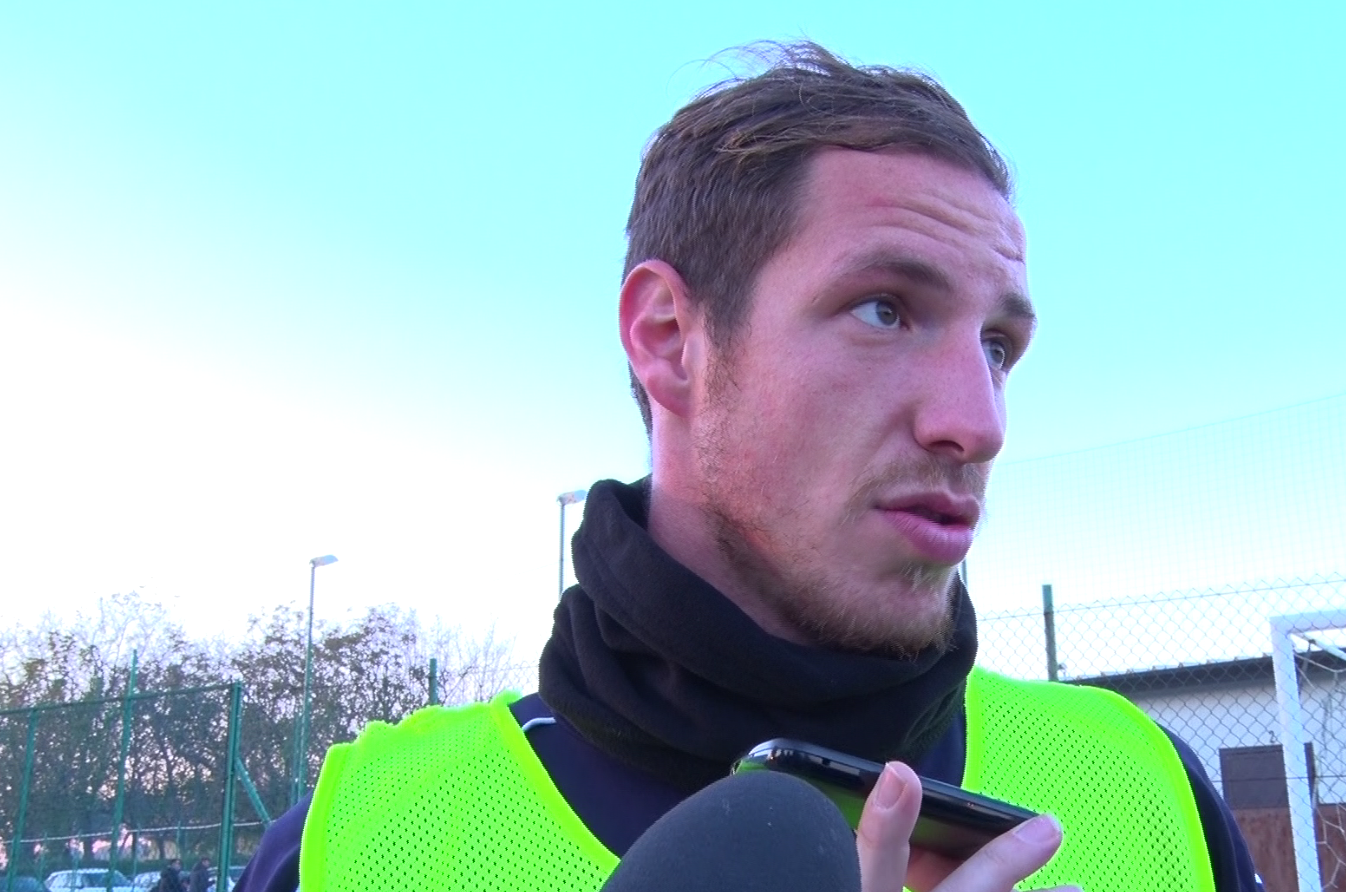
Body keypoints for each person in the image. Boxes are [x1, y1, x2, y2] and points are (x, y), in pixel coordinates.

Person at [236, 41, 1261, 892]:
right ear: (669, 338)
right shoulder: (358, 848)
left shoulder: (1145, 786)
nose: (977, 423)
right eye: (884, 310)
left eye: (997, 345)